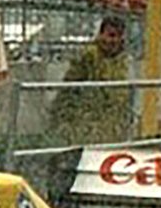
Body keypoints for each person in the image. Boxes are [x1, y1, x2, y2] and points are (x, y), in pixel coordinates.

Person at [48, 15, 133, 146]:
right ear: (101, 35)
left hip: (114, 126)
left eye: (118, 36)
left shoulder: (123, 60)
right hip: (89, 125)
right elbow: (69, 87)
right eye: (110, 35)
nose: (114, 40)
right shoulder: (88, 56)